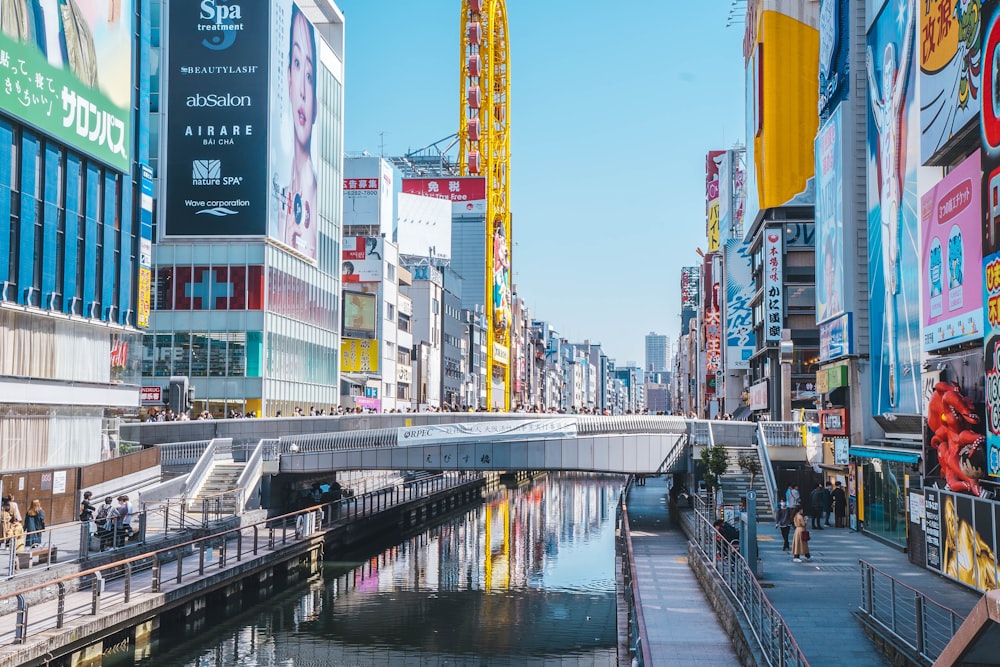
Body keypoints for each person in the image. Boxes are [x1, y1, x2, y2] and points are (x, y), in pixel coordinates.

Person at [866, 3, 914, 408]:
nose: (887, 75)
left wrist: (912, 17)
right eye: (885, 71)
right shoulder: (882, 109)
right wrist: (866, 63)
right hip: (885, 196)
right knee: (888, 277)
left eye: (888, 69)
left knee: (895, 272)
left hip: (894, 192)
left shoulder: (894, 101)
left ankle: (897, 375)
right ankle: (895, 373)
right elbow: (868, 83)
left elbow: (910, 47)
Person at [280, 4, 318, 259]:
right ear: (288, 78)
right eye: (296, 63)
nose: (303, 92)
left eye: (310, 75)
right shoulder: (278, 179)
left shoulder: (313, 192)